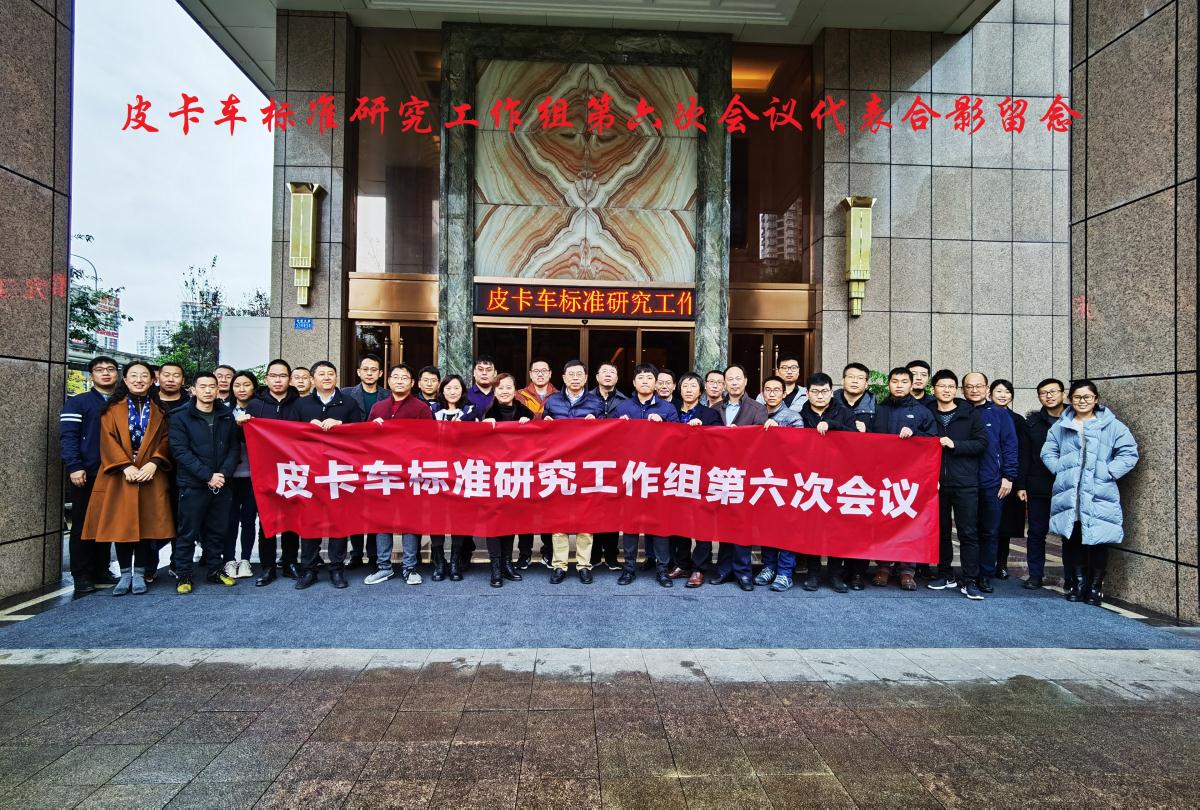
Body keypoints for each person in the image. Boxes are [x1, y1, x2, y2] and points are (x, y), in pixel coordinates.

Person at [1041, 380, 1139, 606]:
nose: (1082, 401)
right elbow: (1048, 452)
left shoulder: (1112, 426)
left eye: (1087, 397)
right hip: (1070, 492)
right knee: (1073, 537)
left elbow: (1129, 453)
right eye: (1077, 397)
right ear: (1070, 399)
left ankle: (1095, 588)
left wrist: (1108, 472)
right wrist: (1061, 469)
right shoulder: (1061, 425)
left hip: (1099, 492)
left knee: (1098, 539)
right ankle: (1078, 585)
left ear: (1096, 399)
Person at [81, 361, 174, 596]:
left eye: (144, 376)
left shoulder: (160, 410)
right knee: (121, 525)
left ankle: (140, 573)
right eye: (133, 375)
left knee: (146, 525)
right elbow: (107, 440)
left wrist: (154, 462)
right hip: (119, 475)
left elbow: (166, 439)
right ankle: (125, 574)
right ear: (125, 380)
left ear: (152, 380)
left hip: (150, 473)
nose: (139, 380)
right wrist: (124, 466)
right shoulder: (111, 409)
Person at [293, 361, 364, 589]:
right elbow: (289, 436)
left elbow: (361, 434)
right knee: (310, 521)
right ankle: (309, 569)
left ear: (336, 377)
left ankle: (336, 568)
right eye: (321, 374)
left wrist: (341, 424)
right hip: (310, 471)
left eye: (330, 373)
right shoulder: (301, 404)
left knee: (338, 522)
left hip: (338, 471)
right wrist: (306, 427)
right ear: (312, 379)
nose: (326, 377)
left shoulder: (348, 403)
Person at [170, 371, 241, 594]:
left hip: (222, 483)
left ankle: (215, 570)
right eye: (203, 387)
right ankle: (184, 574)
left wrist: (223, 474)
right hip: (193, 484)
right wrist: (208, 475)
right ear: (193, 390)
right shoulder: (180, 416)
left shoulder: (226, 415)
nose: (208, 391)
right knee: (187, 532)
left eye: (212, 387)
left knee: (217, 530)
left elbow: (234, 448)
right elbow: (180, 451)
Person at [364, 364, 432, 586]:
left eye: (405, 377)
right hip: (383, 471)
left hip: (410, 472)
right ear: (389, 381)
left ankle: (409, 567)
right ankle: (384, 566)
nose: (400, 381)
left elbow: (430, 441)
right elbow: (365, 441)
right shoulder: (378, 408)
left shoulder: (421, 408)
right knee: (382, 519)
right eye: (396, 377)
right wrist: (372, 428)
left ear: (412, 383)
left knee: (410, 520)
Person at [789, 373, 858, 592]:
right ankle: (813, 573)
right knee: (812, 527)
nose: (820, 396)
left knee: (837, 528)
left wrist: (833, 425)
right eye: (815, 392)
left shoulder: (845, 413)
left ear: (831, 392)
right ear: (807, 394)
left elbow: (857, 439)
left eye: (824, 391)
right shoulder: (801, 415)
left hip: (839, 478)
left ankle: (835, 574)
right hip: (811, 479)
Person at [870, 367, 937, 591]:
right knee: (884, 521)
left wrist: (915, 435)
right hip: (882, 475)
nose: (899, 385)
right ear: (888, 384)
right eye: (895, 381)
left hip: (911, 477)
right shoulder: (879, 409)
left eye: (904, 381)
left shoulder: (922, 412)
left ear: (911, 384)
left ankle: (907, 570)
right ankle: (884, 566)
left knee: (909, 522)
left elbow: (933, 441)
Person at [613, 363, 679, 588]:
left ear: (656, 383)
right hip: (631, 473)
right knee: (630, 524)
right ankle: (628, 568)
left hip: (658, 474)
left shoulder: (668, 409)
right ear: (634, 382)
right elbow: (610, 441)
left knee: (660, 524)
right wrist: (618, 426)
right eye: (640, 378)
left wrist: (665, 426)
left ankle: (662, 570)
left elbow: (679, 440)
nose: (644, 381)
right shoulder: (623, 407)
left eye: (649, 378)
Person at [60, 355, 121, 595]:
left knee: (107, 524)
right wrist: (74, 466)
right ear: (92, 375)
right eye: (99, 370)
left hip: (115, 472)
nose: (105, 373)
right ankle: (82, 574)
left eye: (110, 369)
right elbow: (68, 437)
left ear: (117, 374)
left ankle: (101, 569)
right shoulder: (78, 402)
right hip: (87, 473)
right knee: (84, 524)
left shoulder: (122, 402)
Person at [926, 370, 987, 600]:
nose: (946, 390)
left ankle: (970, 579)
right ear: (934, 389)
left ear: (957, 390)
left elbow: (981, 443)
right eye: (942, 386)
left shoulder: (969, 414)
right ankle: (945, 573)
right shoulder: (927, 412)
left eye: (951, 386)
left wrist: (955, 445)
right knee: (940, 532)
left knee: (968, 532)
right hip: (936, 484)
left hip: (965, 482)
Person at [542, 359, 603, 583]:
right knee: (559, 519)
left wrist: (597, 423)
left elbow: (607, 433)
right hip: (560, 467)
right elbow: (542, 433)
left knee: (585, 519)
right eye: (571, 374)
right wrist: (545, 423)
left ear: (586, 378)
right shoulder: (552, 401)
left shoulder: (596, 402)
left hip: (586, 467)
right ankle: (559, 564)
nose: (575, 378)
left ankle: (583, 564)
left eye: (579, 374)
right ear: (563, 377)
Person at [244, 359, 303, 586]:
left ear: (290, 378)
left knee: (293, 519)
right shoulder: (254, 406)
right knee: (266, 520)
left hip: (293, 469)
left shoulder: (300, 404)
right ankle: (268, 567)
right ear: (266, 378)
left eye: (283, 376)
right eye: (274, 376)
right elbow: (244, 439)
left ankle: (290, 562)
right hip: (265, 470)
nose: (278, 380)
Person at [709, 364, 767, 591]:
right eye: (729, 379)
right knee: (724, 523)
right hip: (721, 473)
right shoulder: (716, 408)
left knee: (742, 524)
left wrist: (739, 437)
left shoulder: (757, 408)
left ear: (745, 382)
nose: (734, 383)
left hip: (745, 473)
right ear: (724, 383)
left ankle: (743, 572)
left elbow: (761, 441)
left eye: (737, 378)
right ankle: (724, 569)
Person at [961, 371, 1018, 594]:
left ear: (987, 389)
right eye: (969, 386)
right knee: (968, 531)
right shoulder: (960, 412)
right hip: (965, 481)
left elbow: (1010, 445)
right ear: (963, 390)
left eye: (979, 386)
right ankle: (969, 574)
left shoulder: (999, 414)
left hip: (992, 481)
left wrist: (1008, 476)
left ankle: (985, 574)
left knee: (989, 531)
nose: (974, 390)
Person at [482, 373, 534, 587]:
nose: (504, 391)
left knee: (510, 519)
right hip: (491, 475)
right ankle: (495, 567)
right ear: (494, 391)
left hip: (516, 474)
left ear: (516, 390)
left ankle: (507, 563)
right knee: (493, 521)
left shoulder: (526, 413)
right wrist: (483, 426)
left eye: (508, 387)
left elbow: (538, 442)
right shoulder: (486, 413)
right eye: (500, 387)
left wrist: (529, 424)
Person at [669, 372, 721, 582]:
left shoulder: (710, 414)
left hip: (701, 474)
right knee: (678, 522)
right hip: (676, 474)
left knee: (702, 523)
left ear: (701, 390)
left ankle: (699, 568)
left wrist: (704, 431)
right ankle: (682, 564)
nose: (688, 390)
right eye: (685, 386)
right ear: (679, 389)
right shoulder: (671, 412)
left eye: (693, 386)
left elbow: (720, 441)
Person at [754, 375, 803, 589]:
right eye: (768, 389)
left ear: (784, 394)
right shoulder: (757, 414)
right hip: (762, 479)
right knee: (767, 525)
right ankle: (769, 567)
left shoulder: (793, 417)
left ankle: (785, 572)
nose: (771, 393)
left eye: (776, 390)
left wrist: (780, 432)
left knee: (787, 527)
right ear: (762, 393)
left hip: (786, 481)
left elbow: (799, 449)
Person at [431, 374, 482, 580]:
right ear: (442, 390)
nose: (453, 392)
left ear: (463, 391)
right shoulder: (432, 410)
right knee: (436, 517)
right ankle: (438, 561)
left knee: (459, 517)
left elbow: (477, 436)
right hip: (436, 471)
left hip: (462, 471)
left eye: (457, 388)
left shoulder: (470, 411)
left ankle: (455, 562)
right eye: (448, 388)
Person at [341, 354, 385, 572]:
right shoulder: (345, 394)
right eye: (365, 369)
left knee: (377, 508)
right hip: (353, 457)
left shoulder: (388, 396)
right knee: (355, 507)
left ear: (380, 373)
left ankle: (375, 554)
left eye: (373, 369)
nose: (369, 373)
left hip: (380, 459)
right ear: (358, 372)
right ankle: (356, 553)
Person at [1022, 378, 1066, 589]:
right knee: (1036, 532)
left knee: (1069, 532)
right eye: (1043, 393)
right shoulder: (1031, 423)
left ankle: (1072, 577)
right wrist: (1021, 485)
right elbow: (1025, 456)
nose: (1048, 396)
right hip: (1039, 485)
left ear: (1063, 394)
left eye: (1053, 391)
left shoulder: (1076, 419)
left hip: (1068, 486)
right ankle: (1035, 574)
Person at [588, 361, 627, 571]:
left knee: (613, 508)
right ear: (596, 377)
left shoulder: (625, 402)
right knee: (593, 507)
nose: (608, 375)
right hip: (590, 460)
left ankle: (612, 555)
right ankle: (594, 554)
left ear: (617, 378)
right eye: (604, 372)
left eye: (612, 372)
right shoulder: (586, 399)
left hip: (615, 461)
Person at [990, 379, 1030, 581]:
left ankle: (1001, 564)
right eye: (998, 391)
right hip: (987, 477)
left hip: (1008, 480)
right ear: (990, 394)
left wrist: (1017, 482)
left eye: (1007, 392)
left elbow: (1022, 453)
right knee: (985, 524)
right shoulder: (982, 415)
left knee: (1003, 526)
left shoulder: (1017, 420)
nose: (1003, 395)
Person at [223, 371, 260, 580]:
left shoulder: (261, 410)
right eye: (237, 385)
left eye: (246, 385)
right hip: (228, 476)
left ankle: (245, 560)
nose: (242, 389)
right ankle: (229, 559)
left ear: (254, 387)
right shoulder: (223, 411)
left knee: (248, 519)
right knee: (229, 520)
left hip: (253, 474)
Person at [834, 362, 875, 433]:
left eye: (860, 378)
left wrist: (866, 431)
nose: (855, 381)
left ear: (866, 384)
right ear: (842, 381)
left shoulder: (875, 407)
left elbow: (880, 435)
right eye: (851, 377)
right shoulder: (830, 403)